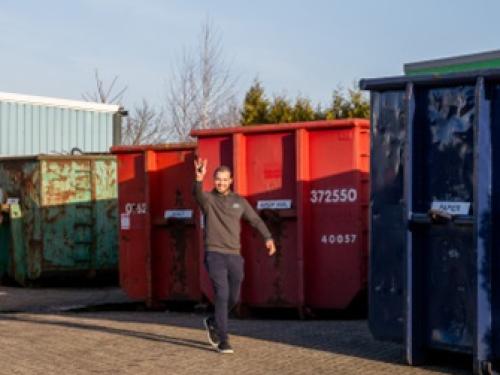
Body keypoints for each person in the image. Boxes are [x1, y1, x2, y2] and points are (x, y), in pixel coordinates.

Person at [193, 158, 276, 354]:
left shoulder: (239, 202)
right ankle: (224, 340)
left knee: (234, 298)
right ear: (213, 180)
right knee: (221, 295)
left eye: (224, 179)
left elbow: (255, 220)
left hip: (234, 256)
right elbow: (196, 194)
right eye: (217, 179)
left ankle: (213, 321)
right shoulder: (208, 200)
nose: (221, 183)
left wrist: (268, 237)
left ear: (231, 181)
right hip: (214, 254)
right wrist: (198, 178)